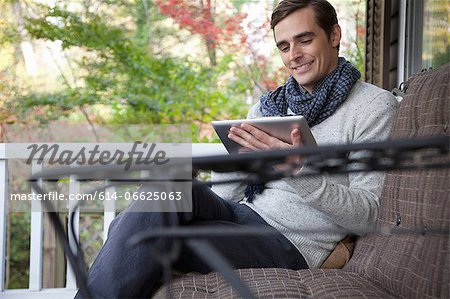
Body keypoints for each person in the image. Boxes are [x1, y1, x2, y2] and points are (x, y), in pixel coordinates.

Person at [76, 0, 398, 298]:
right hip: (244, 213)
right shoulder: (271, 106)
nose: (293, 55)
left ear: (334, 35)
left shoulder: (372, 106)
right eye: (284, 47)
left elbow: (369, 215)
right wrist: (239, 164)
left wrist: (300, 171)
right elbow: (229, 196)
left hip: (291, 242)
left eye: (304, 40)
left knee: (142, 233)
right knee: (164, 187)